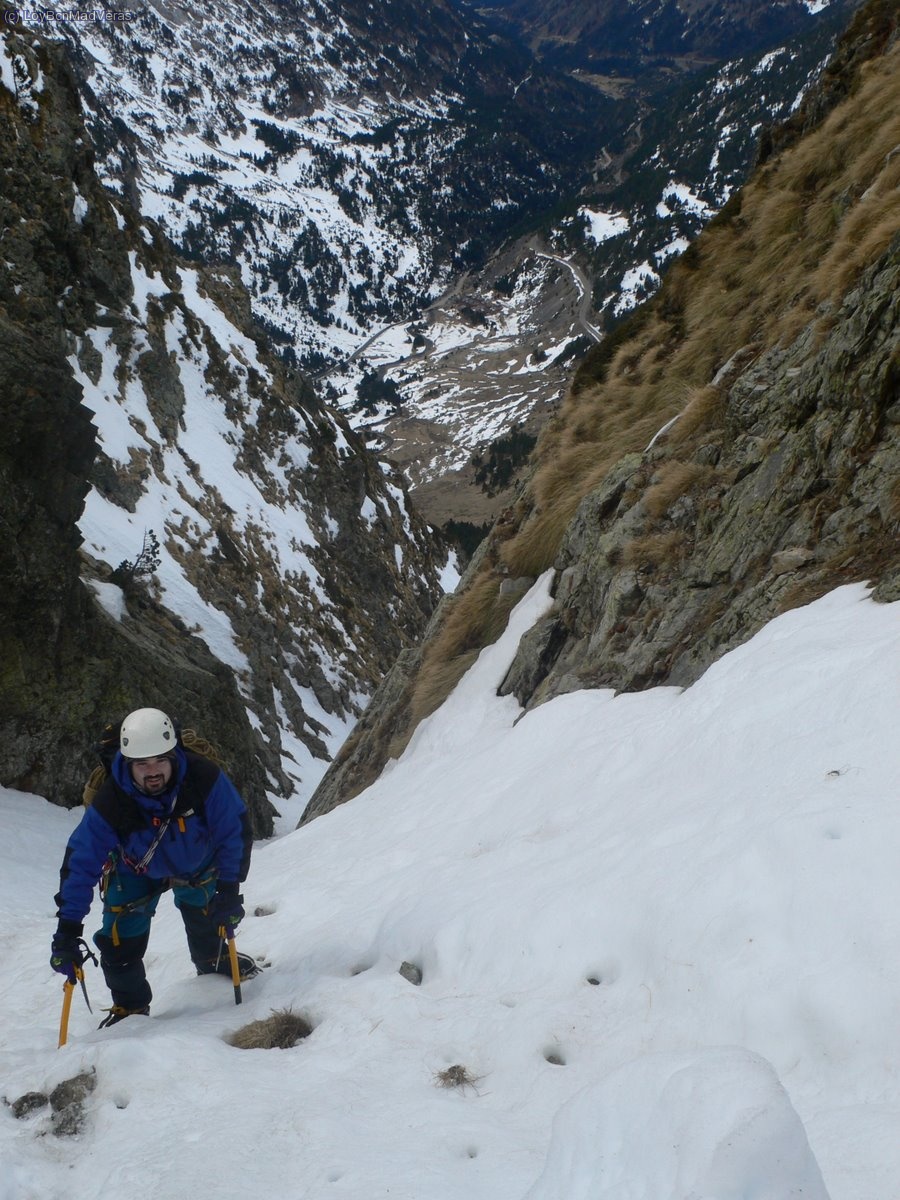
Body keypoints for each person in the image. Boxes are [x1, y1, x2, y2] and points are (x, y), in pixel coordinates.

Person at [50, 707, 257, 1027]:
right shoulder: (112, 800)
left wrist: (229, 890)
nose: (153, 771)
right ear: (127, 764)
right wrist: (67, 931)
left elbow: (234, 830)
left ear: (174, 756)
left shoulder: (202, 777)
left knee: (206, 912)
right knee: (120, 937)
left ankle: (211, 959)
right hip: (136, 869)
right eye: (142, 764)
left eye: (160, 760)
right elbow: (81, 862)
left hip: (196, 863)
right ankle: (131, 1005)